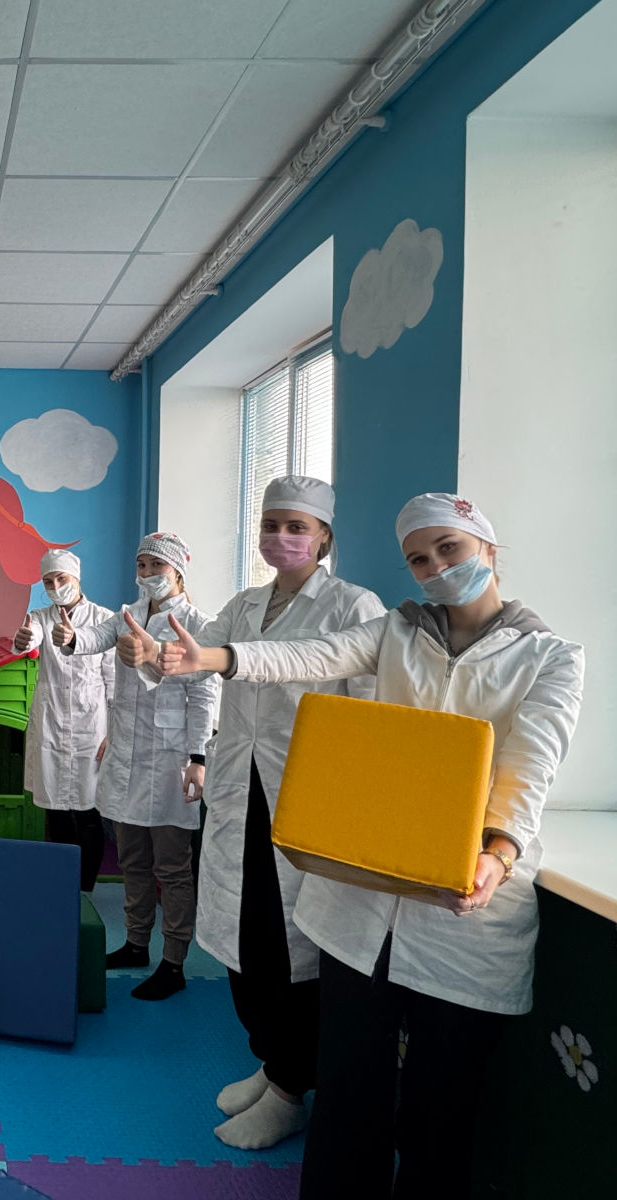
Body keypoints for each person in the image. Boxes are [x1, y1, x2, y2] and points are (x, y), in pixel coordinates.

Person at [125, 493, 584, 1196]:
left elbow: (532, 764)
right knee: (347, 1092)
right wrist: (210, 658)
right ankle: (291, 1095)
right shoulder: (397, 631)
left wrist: (499, 852)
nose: (436, 568)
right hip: (363, 887)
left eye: (450, 549)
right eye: (419, 559)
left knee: (439, 1107)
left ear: (489, 549)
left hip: (465, 895)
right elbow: (310, 655)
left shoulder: (551, 657)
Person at [187, 477, 386, 1151]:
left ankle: (289, 1089)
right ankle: (273, 1063)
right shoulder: (244, 604)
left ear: (324, 535)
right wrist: (151, 657)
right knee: (244, 942)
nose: (281, 536)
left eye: (296, 526)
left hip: (306, 799)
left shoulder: (353, 605)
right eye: (271, 523)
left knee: (289, 951)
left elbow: (368, 712)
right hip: (240, 791)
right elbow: (194, 659)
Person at [61, 532, 220, 1000]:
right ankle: (135, 943)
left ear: (178, 571)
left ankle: (174, 961)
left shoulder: (198, 625)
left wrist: (197, 758)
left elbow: (204, 695)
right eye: (142, 565)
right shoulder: (127, 616)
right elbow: (95, 637)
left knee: (172, 867)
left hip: (172, 760)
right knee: (132, 861)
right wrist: (72, 637)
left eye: (156, 565)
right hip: (127, 755)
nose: (147, 573)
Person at [13, 548, 116, 892]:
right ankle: (60, 886)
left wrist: (113, 732)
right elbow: (30, 638)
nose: (56, 587)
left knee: (89, 812)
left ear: (77, 578)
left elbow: (114, 680)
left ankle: (85, 889)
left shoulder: (104, 619)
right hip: (52, 723)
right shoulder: (39, 618)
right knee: (55, 811)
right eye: (48, 581)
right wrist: (23, 640)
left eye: (62, 578)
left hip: (92, 729)